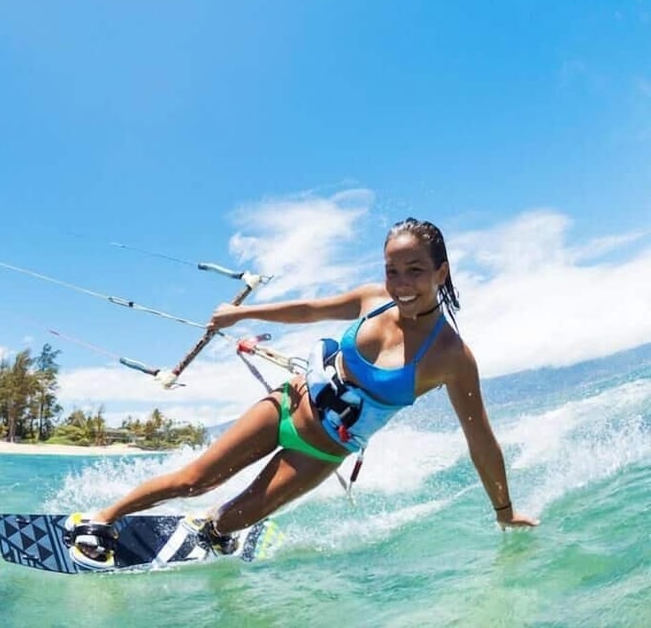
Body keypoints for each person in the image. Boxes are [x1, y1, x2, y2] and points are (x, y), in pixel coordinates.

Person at [65, 217, 539, 568]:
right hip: (288, 406)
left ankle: (214, 527)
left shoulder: (451, 357)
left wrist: (504, 510)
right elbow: (311, 309)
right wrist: (242, 314)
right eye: (392, 271)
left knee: (228, 522)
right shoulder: (373, 301)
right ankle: (99, 519)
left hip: (321, 452)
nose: (401, 284)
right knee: (195, 480)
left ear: (441, 271)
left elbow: (480, 438)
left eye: (414, 270)